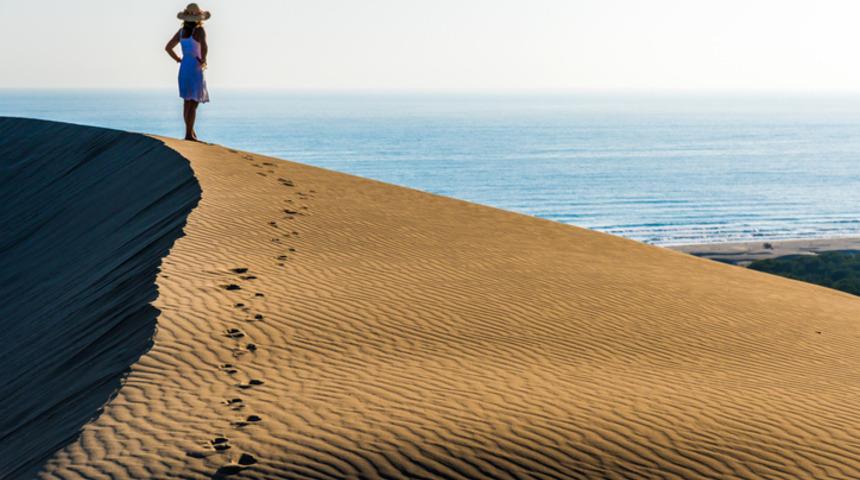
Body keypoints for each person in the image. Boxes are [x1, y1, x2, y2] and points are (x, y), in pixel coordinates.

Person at [165, 4, 210, 142]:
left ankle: (190, 132)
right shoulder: (200, 31)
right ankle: (189, 135)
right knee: (193, 103)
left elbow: (168, 48)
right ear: (197, 18)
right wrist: (203, 60)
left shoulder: (180, 32)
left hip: (184, 67)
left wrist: (178, 59)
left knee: (187, 102)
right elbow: (204, 48)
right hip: (195, 68)